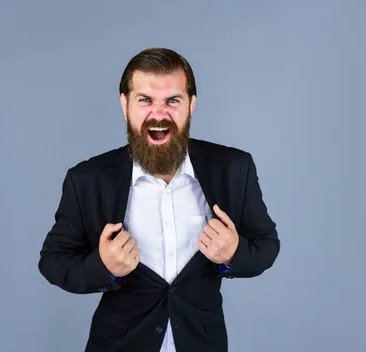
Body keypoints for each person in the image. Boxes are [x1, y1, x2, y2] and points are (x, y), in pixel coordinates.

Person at [38, 47, 280, 352]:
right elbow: (53, 262)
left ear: (191, 105)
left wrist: (233, 253)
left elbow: (266, 245)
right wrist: (103, 266)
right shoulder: (88, 179)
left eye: (172, 101)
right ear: (125, 105)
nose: (159, 113)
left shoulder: (234, 168)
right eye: (145, 100)